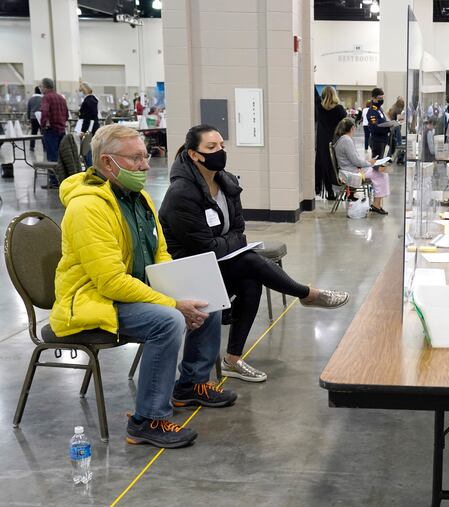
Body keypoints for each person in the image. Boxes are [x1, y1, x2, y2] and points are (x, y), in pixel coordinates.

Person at [50, 124, 236, 448]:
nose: (146, 165)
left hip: (131, 289)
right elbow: (111, 282)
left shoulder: (139, 198)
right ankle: (147, 420)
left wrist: (178, 289)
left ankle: (191, 384)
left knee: (206, 300)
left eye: (144, 156)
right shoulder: (87, 208)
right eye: (136, 158)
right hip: (95, 299)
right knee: (168, 321)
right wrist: (172, 303)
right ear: (108, 163)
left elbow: (159, 251)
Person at [159, 124, 350, 382]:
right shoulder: (181, 193)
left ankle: (232, 360)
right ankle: (306, 294)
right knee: (249, 261)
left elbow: (239, 230)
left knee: (250, 280)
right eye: (211, 147)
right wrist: (231, 242)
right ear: (194, 154)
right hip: (189, 270)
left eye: (222, 146)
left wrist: (228, 242)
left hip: (217, 264)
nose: (219, 152)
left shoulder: (226, 182)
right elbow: (204, 248)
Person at [332, 117, 390, 215]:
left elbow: (354, 159)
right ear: (352, 128)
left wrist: (368, 162)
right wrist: (370, 163)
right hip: (351, 172)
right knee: (381, 174)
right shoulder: (346, 140)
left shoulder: (343, 139)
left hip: (349, 169)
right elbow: (356, 161)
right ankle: (376, 205)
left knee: (379, 173)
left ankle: (377, 204)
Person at [315, 86, 347, 200]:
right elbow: (346, 123)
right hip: (336, 141)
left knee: (325, 166)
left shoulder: (319, 108)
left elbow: (315, 95)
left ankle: (330, 191)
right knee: (339, 165)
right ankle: (345, 191)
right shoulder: (339, 109)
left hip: (322, 141)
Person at [39, 77, 68, 189]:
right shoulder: (61, 97)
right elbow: (66, 113)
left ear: (45, 87)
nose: (40, 88)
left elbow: (44, 112)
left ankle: (54, 182)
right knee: (61, 156)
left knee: (52, 157)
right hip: (61, 130)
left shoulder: (46, 98)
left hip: (51, 131)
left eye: (41, 86)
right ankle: (63, 180)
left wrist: (42, 125)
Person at [78, 81, 100, 168]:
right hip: (94, 127)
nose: (80, 92)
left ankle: (90, 169)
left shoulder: (87, 101)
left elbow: (87, 118)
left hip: (89, 129)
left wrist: (83, 131)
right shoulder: (94, 99)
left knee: (87, 151)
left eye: (80, 90)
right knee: (90, 150)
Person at [366, 88, 391, 158]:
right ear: (373, 98)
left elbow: (382, 121)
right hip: (377, 141)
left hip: (383, 139)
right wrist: (388, 128)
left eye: (382, 98)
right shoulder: (372, 111)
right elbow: (375, 127)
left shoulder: (379, 109)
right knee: (376, 164)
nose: (381, 100)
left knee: (381, 162)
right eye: (379, 98)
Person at [26, 86, 42, 151]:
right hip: (41, 117)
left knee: (33, 133)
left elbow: (28, 109)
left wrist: (28, 118)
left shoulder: (31, 99)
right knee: (43, 133)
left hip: (33, 118)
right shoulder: (43, 98)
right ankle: (45, 147)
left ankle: (32, 147)